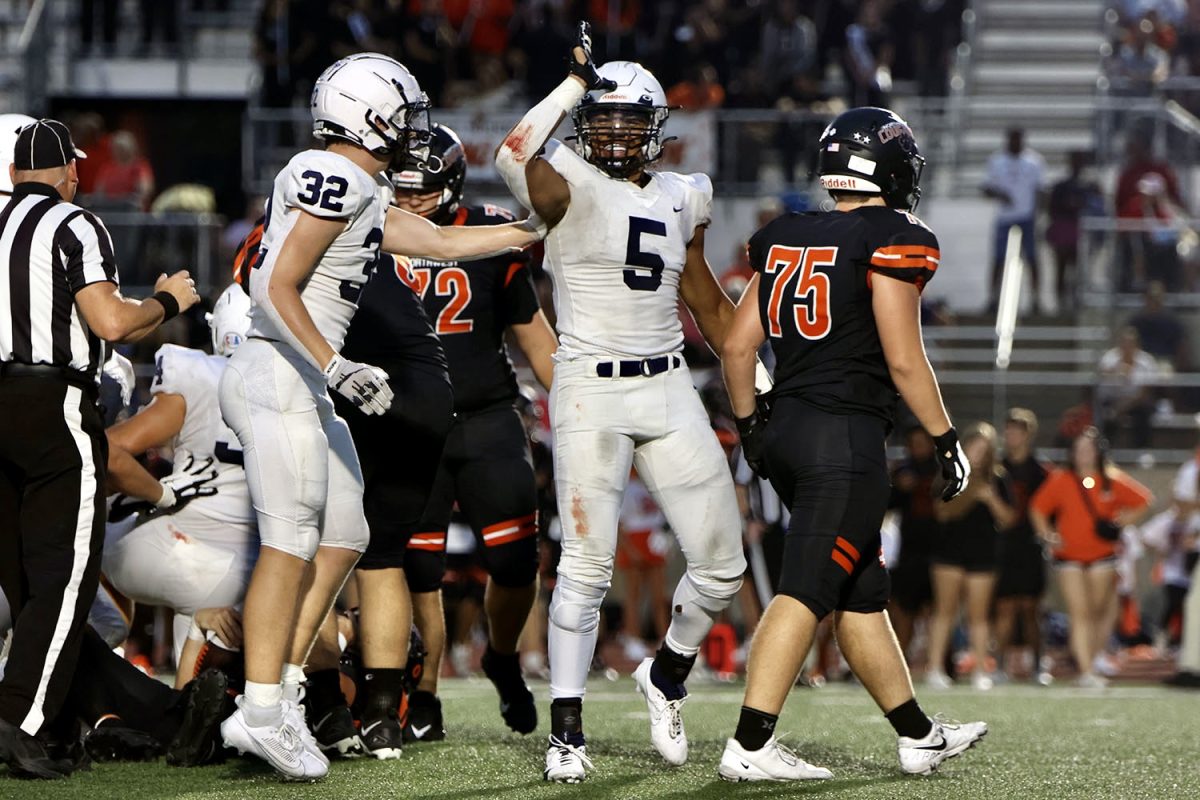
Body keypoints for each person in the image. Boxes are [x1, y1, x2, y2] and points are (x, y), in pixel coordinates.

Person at [216, 52, 544, 781]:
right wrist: (335, 365)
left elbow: (431, 239)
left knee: (348, 531)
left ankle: (289, 689)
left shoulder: (358, 184)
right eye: (400, 112)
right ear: (370, 115)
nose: (409, 126)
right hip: (283, 371)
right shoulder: (333, 174)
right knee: (292, 539)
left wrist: (524, 229)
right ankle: (262, 705)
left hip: (301, 377)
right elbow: (275, 285)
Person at [495, 24, 750, 782]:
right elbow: (512, 152)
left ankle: (665, 673)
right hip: (588, 387)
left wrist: (756, 387)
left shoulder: (684, 194)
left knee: (723, 567)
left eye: (628, 121)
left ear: (655, 130)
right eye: (600, 120)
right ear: (582, 123)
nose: (612, 134)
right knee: (585, 565)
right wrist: (573, 84)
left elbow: (705, 300)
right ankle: (566, 732)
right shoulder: (565, 177)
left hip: (668, 382)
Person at [717, 106, 986, 782]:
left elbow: (737, 345)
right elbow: (903, 358)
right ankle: (750, 744)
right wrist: (947, 438)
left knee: (861, 592)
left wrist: (753, 429)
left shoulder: (786, 233)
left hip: (786, 428)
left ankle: (918, 735)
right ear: (892, 169)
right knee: (805, 589)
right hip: (845, 438)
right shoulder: (894, 234)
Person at [345, 123, 558, 754]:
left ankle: (500, 654)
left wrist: (573, 406)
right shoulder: (368, 228)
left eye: (421, 191)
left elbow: (534, 335)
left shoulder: (487, 234)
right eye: (400, 189)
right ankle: (426, 694)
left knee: (517, 562)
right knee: (417, 568)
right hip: (408, 421)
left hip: (488, 416)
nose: (407, 201)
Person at [0, 118, 200, 779]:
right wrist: (166, 300)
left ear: (9, 176)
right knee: (64, 579)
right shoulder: (73, 223)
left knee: (26, 581)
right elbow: (112, 321)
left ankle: (73, 720)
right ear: (71, 174)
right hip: (50, 402)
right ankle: (21, 721)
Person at [101, 284, 258, 687]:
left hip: (173, 550)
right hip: (254, 572)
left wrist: (160, 493)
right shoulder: (296, 388)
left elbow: (109, 452)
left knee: (83, 545)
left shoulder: (201, 376)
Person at [1030, 428, 1153, 687]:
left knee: (1097, 612)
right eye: (1079, 449)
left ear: (1098, 451)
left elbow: (1144, 500)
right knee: (1080, 613)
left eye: (1088, 448)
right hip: (1068, 557)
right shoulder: (1061, 479)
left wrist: (1121, 522)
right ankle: (1086, 671)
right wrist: (1048, 535)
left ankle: (1092, 659)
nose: (1083, 454)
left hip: (1103, 556)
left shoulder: (1112, 478)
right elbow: (1038, 508)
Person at [926, 423, 1017, 691]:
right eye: (974, 446)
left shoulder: (998, 478)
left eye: (983, 448)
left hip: (983, 554)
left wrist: (989, 498)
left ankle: (980, 670)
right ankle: (934, 669)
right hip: (948, 553)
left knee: (979, 616)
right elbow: (940, 513)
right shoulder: (949, 473)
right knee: (944, 612)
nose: (978, 452)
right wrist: (966, 493)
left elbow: (1009, 519)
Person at [993, 409, 1051, 683]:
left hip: (1030, 545)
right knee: (1003, 608)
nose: (1012, 436)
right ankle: (1000, 667)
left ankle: (1039, 665)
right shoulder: (996, 468)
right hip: (1002, 545)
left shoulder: (1041, 471)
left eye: (1017, 431)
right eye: (1009, 431)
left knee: (1031, 609)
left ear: (1029, 434)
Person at [887, 426, 941, 658]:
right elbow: (887, 505)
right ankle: (901, 660)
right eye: (913, 442)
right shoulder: (902, 471)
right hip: (909, 552)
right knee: (903, 609)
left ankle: (940, 662)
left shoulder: (943, 469)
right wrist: (898, 487)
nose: (918, 446)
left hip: (941, 550)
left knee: (937, 610)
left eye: (922, 441)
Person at [982, 128, 1046, 313]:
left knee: (1032, 258)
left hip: (1027, 216)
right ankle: (993, 298)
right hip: (1005, 217)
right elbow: (987, 187)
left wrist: (1038, 215)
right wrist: (1000, 194)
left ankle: (1035, 299)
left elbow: (1040, 190)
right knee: (999, 258)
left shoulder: (1033, 162)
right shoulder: (997, 161)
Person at [1164, 439, 1200, 688]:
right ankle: (1191, 667)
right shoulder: (1192, 469)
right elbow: (1181, 508)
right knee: (1194, 604)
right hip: (1197, 546)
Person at [1096, 326, 1160, 448]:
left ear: (1137, 344)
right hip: (1112, 400)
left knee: (1144, 413)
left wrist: (1120, 408)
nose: (1127, 346)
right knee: (1105, 414)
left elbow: (1145, 393)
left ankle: (1141, 452)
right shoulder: (1109, 358)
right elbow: (1102, 377)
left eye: (1130, 343)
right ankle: (1105, 452)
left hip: (1136, 402)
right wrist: (1117, 370)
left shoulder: (1147, 361)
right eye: (1124, 343)